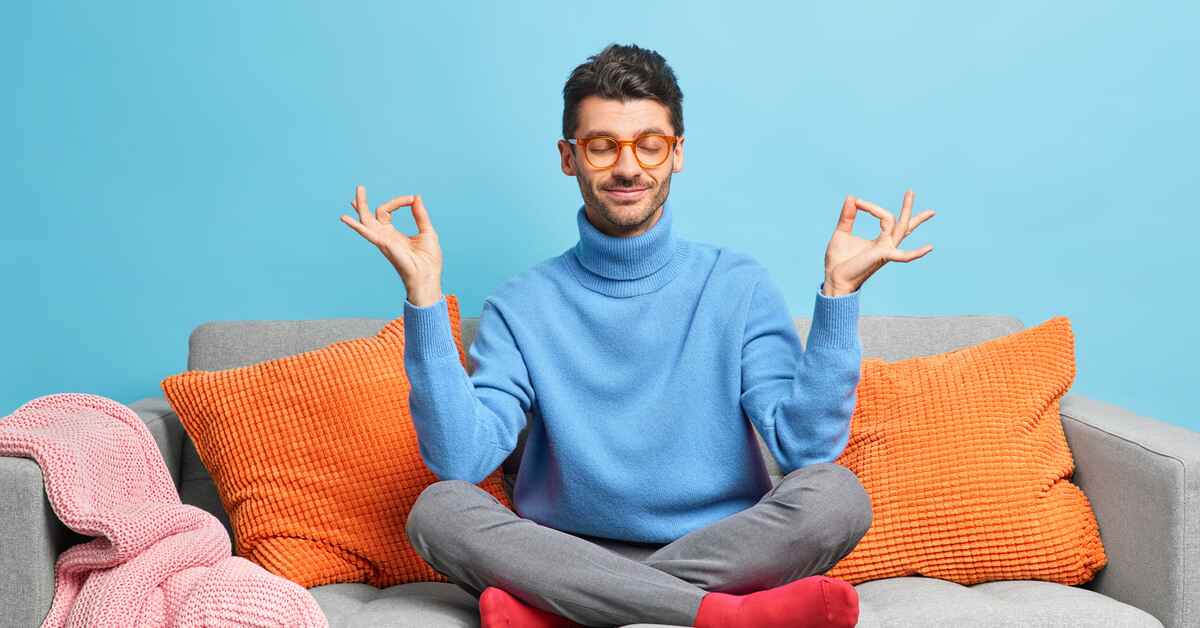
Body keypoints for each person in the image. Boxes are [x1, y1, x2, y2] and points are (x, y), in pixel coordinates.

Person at [341, 43, 934, 628]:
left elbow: (805, 451)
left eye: (649, 145)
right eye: (602, 146)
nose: (628, 167)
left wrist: (838, 295)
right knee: (437, 509)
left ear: (677, 154)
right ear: (569, 157)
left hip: (722, 550)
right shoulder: (519, 306)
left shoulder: (739, 286)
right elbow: (460, 459)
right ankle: (720, 618)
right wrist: (423, 295)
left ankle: (572, 611)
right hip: (560, 552)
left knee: (837, 495)